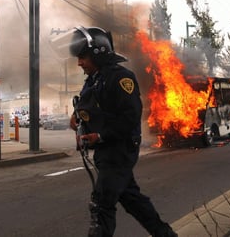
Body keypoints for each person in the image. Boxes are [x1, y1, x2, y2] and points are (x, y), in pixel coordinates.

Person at [67, 26, 177, 237]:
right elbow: (87, 106)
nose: (79, 63)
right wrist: (77, 118)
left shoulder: (120, 78)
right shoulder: (93, 79)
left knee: (102, 203)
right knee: (132, 200)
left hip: (120, 150)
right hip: (104, 151)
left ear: (98, 54)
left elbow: (130, 118)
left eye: (83, 57)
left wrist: (100, 135)